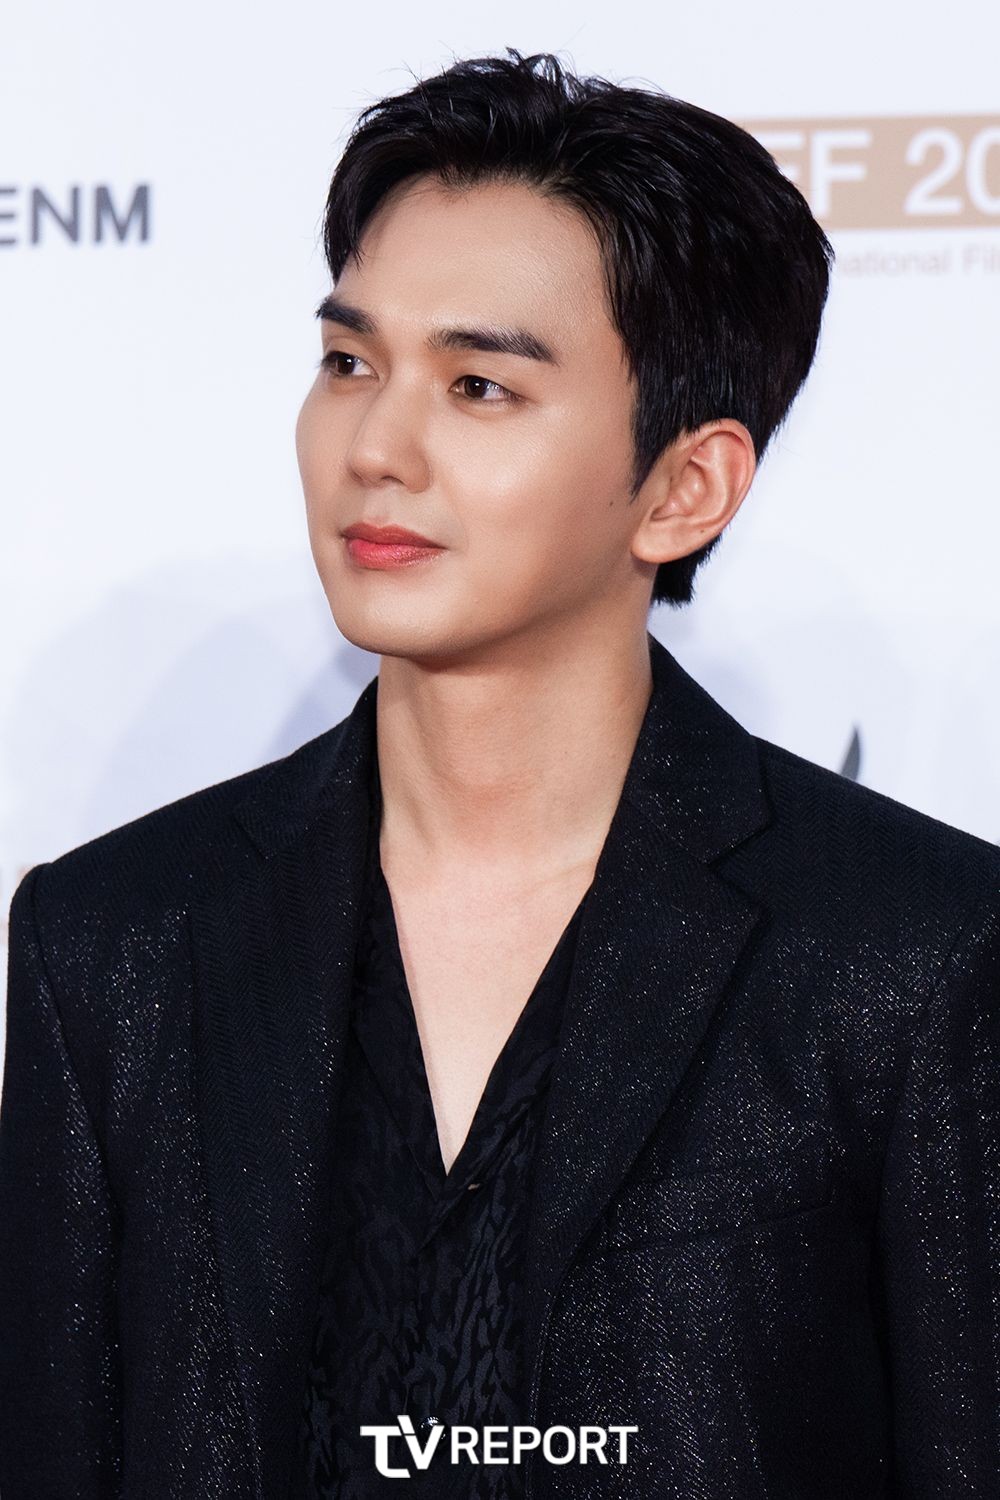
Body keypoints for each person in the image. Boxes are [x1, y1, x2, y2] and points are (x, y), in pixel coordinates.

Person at [1, 45, 998, 1500]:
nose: (376, 448)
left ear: (686, 487)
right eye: (349, 364)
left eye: (478, 386)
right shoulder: (115, 941)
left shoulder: (912, 951)